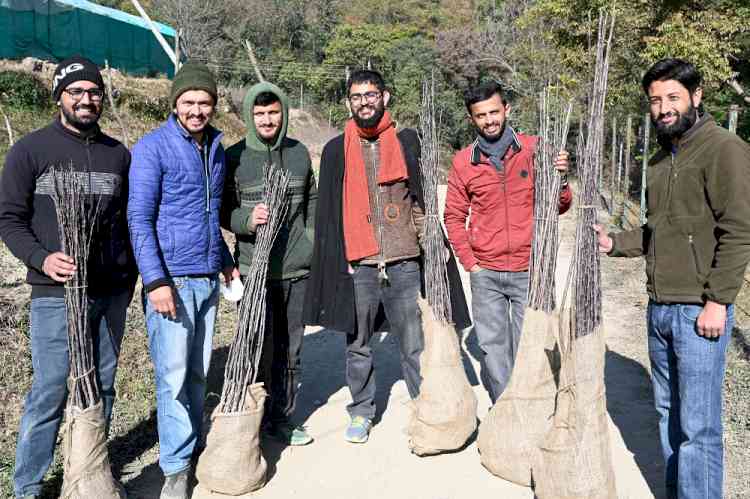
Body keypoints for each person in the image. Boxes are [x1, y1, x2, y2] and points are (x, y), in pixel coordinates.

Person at [594, 58, 750, 499]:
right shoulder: (661, 159)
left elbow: (738, 230)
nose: (663, 108)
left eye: (672, 98)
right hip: (660, 307)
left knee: (699, 427)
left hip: (700, 309)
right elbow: (657, 230)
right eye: (655, 100)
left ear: (696, 97)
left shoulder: (725, 149)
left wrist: (718, 301)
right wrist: (614, 244)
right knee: (668, 413)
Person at [303, 69, 471, 444]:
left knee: (413, 340)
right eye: (357, 96)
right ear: (349, 102)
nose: (364, 102)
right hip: (358, 263)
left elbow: (421, 197)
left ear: (386, 97)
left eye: (371, 94)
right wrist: (338, 259)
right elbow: (329, 213)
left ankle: (423, 402)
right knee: (358, 341)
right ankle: (362, 410)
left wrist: (432, 241)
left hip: (403, 259)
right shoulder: (336, 150)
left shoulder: (406, 142)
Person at [0, 56, 137, 499]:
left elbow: (129, 221)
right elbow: (9, 219)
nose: (86, 99)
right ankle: (28, 485)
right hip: (55, 294)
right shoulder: (31, 150)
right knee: (51, 389)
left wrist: (128, 276)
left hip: (111, 291)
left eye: (94, 91)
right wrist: (43, 259)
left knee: (103, 385)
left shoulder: (118, 154)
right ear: (59, 95)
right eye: (76, 91)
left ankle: (91, 472)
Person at [128, 61, 237, 499]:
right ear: (175, 103)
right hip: (171, 281)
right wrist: (155, 281)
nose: (197, 110)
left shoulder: (213, 147)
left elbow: (209, 218)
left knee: (197, 373)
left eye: (205, 102)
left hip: (207, 279)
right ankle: (175, 467)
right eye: (189, 102)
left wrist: (225, 260)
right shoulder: (152, 148)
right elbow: (139, 218)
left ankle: (190, 447)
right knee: (172, 377)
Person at [443, 80, 571, 403]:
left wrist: (563, 179)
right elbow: (453, 218)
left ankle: (532, 405)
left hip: (529, 268)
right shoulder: (464, 162)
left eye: (494, 112)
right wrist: (470, 263)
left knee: (532, 341)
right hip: (486, 272)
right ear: (472, 119)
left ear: (507, 110)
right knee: (492, 346)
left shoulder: (534, 149)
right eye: (481, 115)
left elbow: (559, 205)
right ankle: (505, 410)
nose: (489, 120)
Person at [221, 81, 317, 446]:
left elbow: (313, 199)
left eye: (273, 112)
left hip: (296, 271)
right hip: (252, 270)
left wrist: (308, 243)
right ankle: (252, 419)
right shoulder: (235, 158)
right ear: (249, 116)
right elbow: (222, 210)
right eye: (259, 113)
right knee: (257, 346)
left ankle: (283, 418)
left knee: (290, 350)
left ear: (284, 113)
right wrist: (246, 219)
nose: (267, 119)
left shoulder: (299, 154)